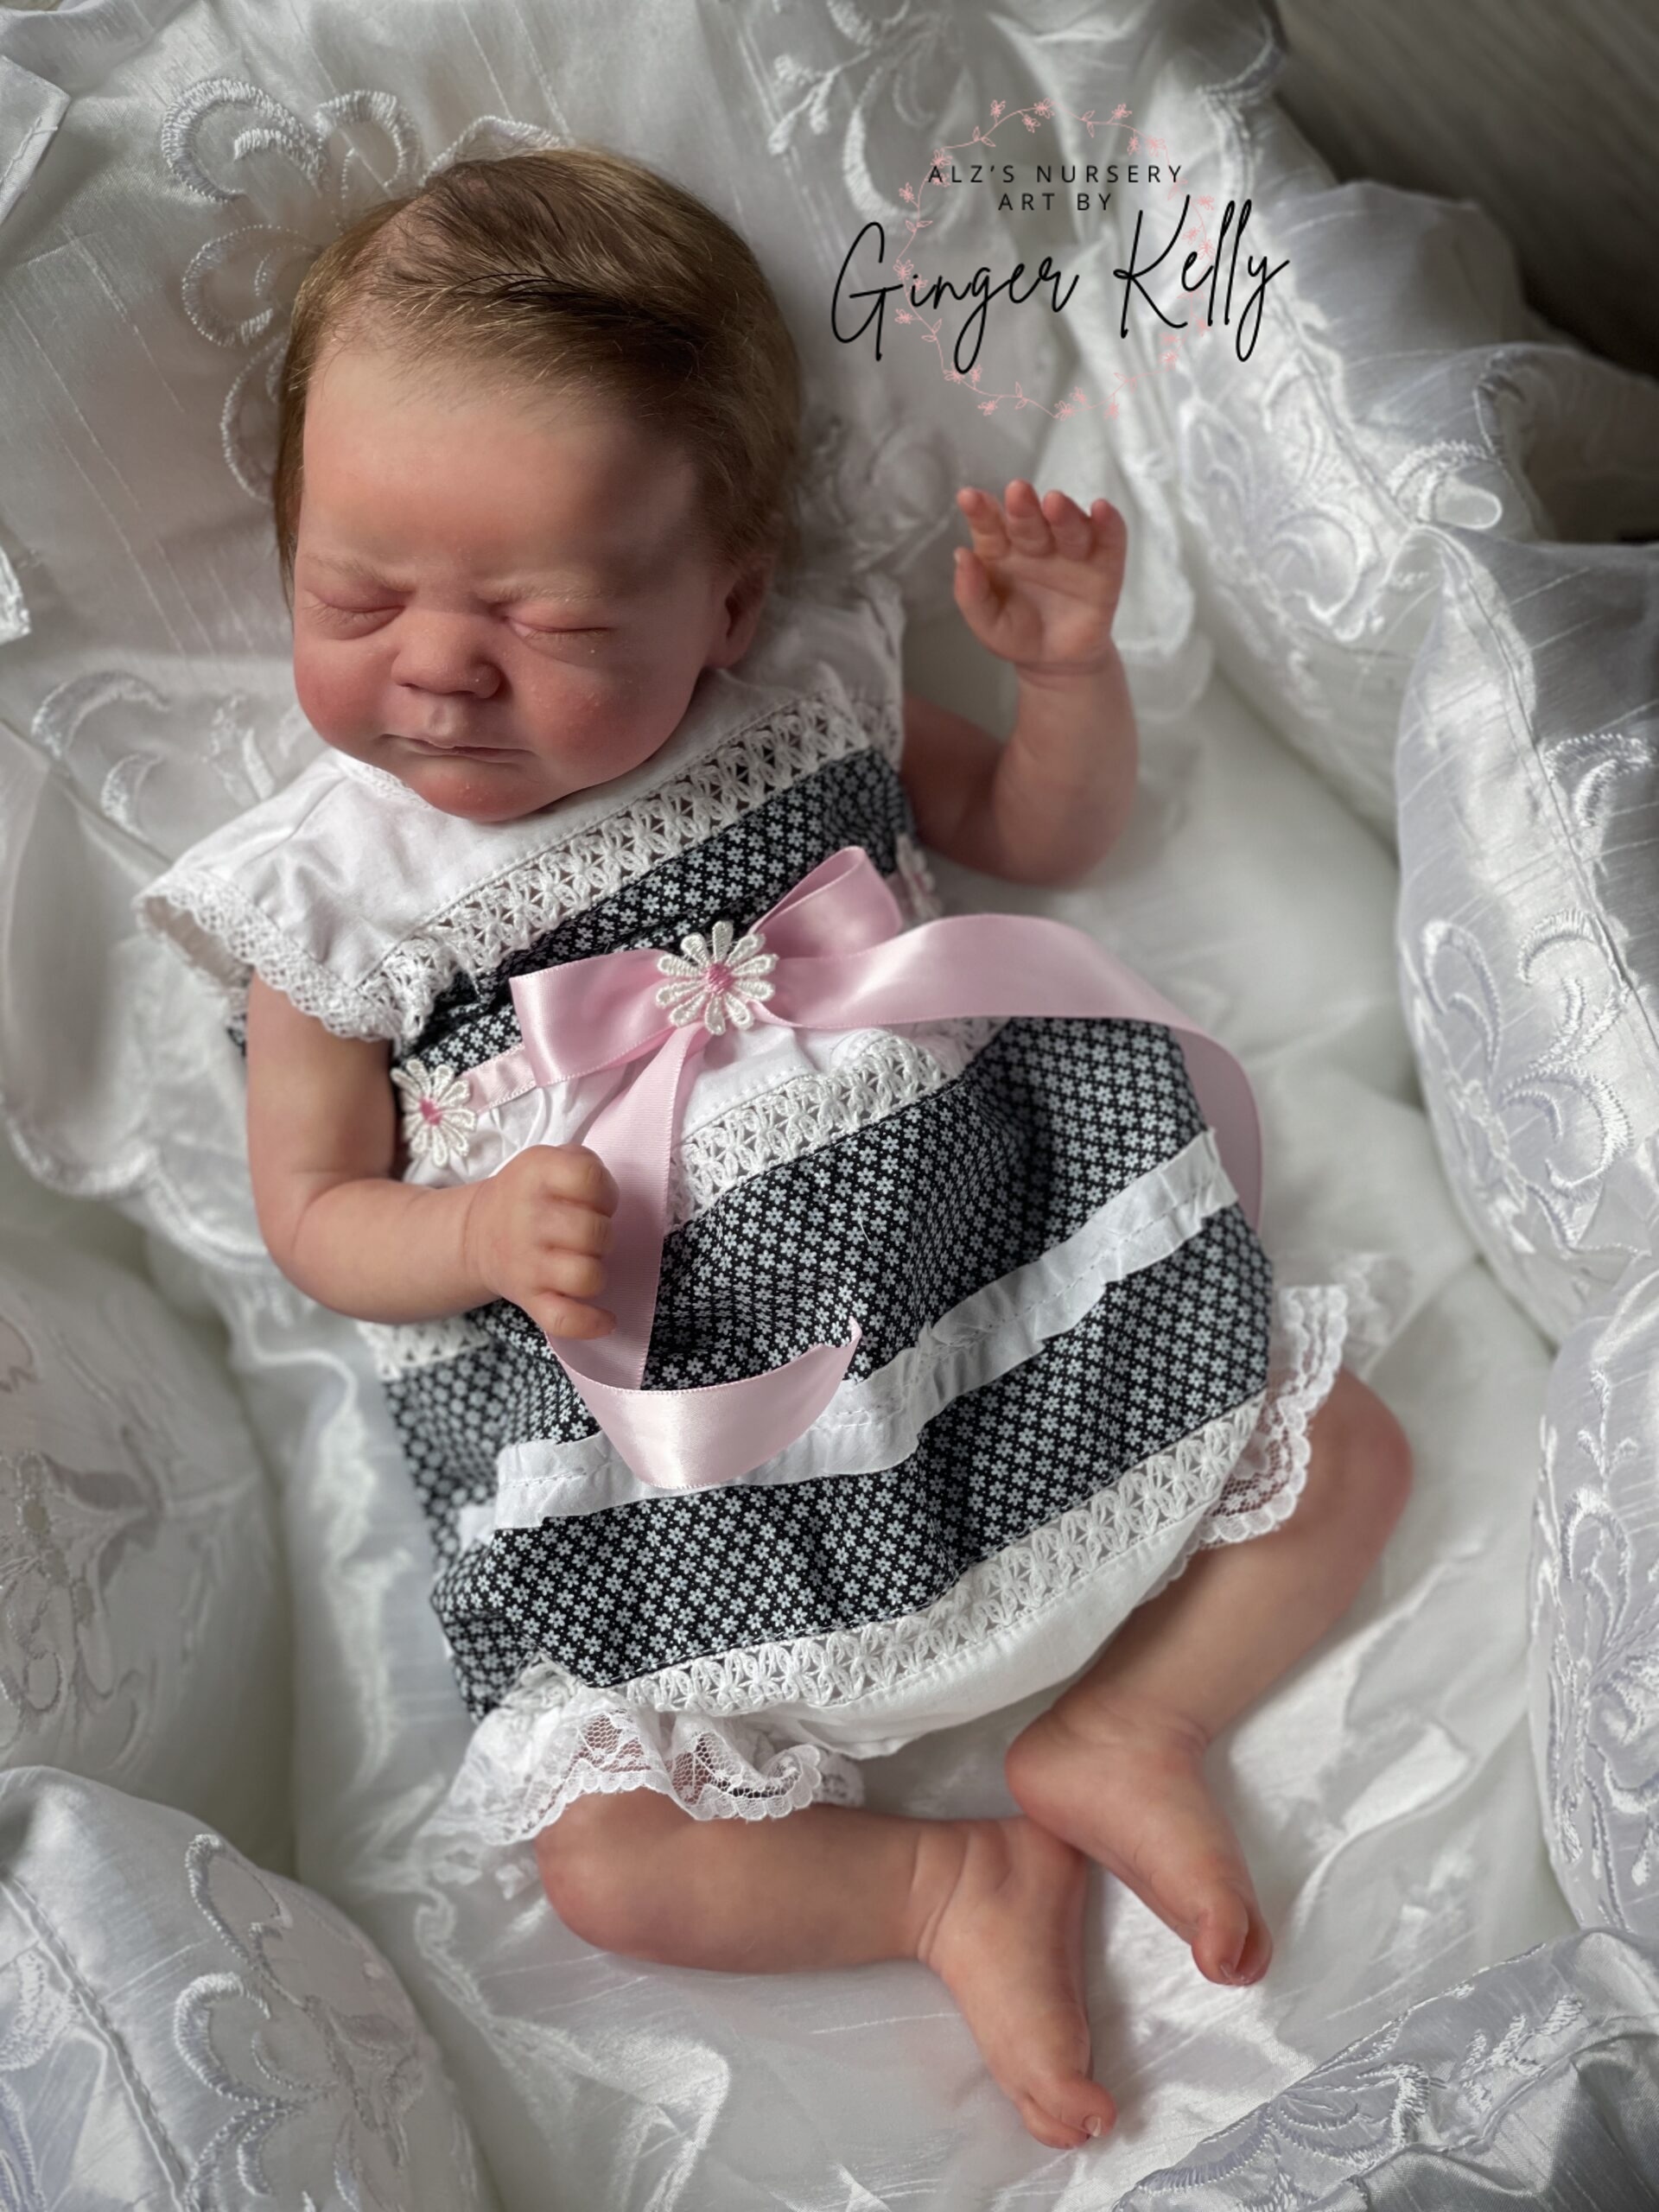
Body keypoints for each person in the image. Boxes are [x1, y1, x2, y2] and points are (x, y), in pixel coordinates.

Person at [138, 144, 1412, 2152]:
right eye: (355, 595)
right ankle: (939, 1882)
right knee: (610, 1861)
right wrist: (470, 1233)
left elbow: (1041, 834)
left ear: (724, 597)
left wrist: (1064, 674)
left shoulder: (805, 687)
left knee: (1340, 1446)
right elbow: (309, 1212)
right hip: (661, 1442)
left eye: (547, 615)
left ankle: (1131, 1721)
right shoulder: (325, 900)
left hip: (984, 1254)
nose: (441, 663)